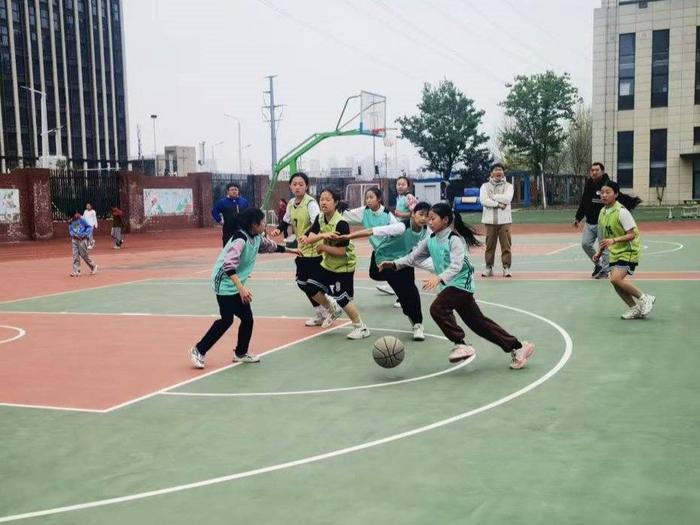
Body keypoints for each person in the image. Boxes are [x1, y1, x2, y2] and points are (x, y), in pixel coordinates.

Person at [379, 203, 534, 369]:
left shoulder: (454, 239)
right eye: (428, 219)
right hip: (451, 285)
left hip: (461, 283)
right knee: (479, 324)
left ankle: (461, 344)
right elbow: (412, 258)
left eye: (433, 218)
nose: (429, 222)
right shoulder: (430, 240)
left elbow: (457, 266)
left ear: (445, 220)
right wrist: (393, 264)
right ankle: (518, 347)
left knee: (437, 309)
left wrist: (439, 278)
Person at [190, 208, 301, 369]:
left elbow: (269, 246)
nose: (265, 224)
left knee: (247, 319)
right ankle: (198, 350)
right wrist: (241, 289)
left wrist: (291, 251)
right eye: (262, 222)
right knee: (226, 320)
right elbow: (228, 266)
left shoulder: (255, 238)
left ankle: (241, 353)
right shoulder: (240, 239)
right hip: (224, 283)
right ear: (254, 224)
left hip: (235, 283)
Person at [334, 201, 432, 341]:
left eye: (427, 216)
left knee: (410, 292)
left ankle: (417, 325)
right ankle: (396, 290)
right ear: (413, 214)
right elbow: (372, 231)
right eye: (421, 214)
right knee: (376, 275)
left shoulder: (426, 231)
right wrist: (348, 237)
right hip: (383, 259)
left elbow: (435, 245)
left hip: (402, 261)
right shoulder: (400, 227)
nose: (423, 218)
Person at [299, 187, 370, 340]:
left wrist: (323, 246)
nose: (323, 202)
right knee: (309, 286)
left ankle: (361, 327)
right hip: (328, 263)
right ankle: (331, 309)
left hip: (344, 265)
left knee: (342, 298)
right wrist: (322, 235)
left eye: (327, 199)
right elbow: (311, 237)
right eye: (321, 199)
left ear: (336, 202)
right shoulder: (320, 218)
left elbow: (342, 252)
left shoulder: (341, 223)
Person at [271, 172, 329, 327]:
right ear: (290, 186)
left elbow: (317, 222)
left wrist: (309, 236)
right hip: (302, 249)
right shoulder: (291, 203)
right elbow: (286, 221)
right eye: (294, 184)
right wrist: (278, 229)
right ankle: (320, 313)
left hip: (314, 248)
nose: (297, 187)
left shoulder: (310, 203)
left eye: (300, 184)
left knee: (311, 284)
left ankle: (330, 308)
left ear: (306, 186)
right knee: (302, 283)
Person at [593, 180, 655, 320]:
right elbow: (605, 238)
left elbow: (631, 234)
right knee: (614, 281)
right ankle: (635, 309)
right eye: (602, 192)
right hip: (616, 251)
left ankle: (645, 298)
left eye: (608, 192)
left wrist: (614, 240)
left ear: (615, 194)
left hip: (629, 250)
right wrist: (598, 253)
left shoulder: (622, 212)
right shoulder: (603, 212)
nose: (604, 195)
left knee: (616, 278)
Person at [376, 176, 418, 296]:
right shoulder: (400, 197)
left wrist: (402, 214)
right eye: (398, 184)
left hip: (407, 232)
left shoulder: (409, 197)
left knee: (406, 263)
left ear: (408, 186)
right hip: (400, 232)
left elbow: (416, 214)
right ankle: (393, 285)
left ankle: (406, 292)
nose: (400, 186)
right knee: (396, 259)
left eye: (403, 184)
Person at [574, 162, 611, 279]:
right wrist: (578, 218)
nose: (594, 172)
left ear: (602, 171)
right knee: (585, 244)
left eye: (597, 170)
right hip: (590, 221)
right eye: (592, 170)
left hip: (603, 222)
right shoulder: (589, 184)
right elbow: (584, 202)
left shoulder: (608, 185)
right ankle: (598, 265)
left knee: (604, 248)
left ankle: (605, 271)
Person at [479, 163, 514, 277]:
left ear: (503, 173)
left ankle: (506, 267)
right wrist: (498, 204)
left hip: (505, 221)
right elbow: (484, 201)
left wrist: (493, 196)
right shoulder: (485, 186)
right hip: (490, 221)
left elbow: (507, 199)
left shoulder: (509, 186)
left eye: (500, 170)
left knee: (506, 246)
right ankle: (489, 267)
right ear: (491, 173)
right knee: (490, 246)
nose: (498, 172)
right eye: (496, 170)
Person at [211, 183, 250, 247]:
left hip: (242, 229)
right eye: (232, 190)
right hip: (228, 230)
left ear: (238, 191)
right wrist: (219, 220)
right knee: (228, 248)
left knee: (242, 247)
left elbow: (249, 212)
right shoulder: (223, 202)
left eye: (236, 189)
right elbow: (214, 211)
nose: (234, 191)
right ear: (228, 191)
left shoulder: (244, 201)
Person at [68, 211, 98, 277]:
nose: (75, 217)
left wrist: (85, 234)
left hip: (82, 239)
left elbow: (89, 227)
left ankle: (93, 266)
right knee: (75, 255)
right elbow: (70, 230)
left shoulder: (82, 219)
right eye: (73, 216)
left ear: (77, 213)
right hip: (74, 240)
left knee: (84, 254)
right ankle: (76, 271)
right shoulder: (71, 220)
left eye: (75, 215)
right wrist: (73, 235)